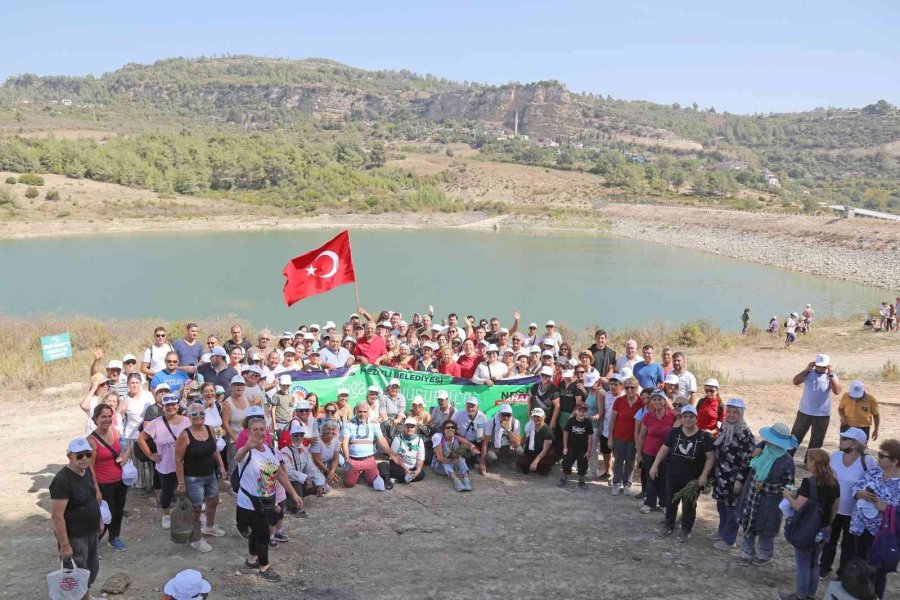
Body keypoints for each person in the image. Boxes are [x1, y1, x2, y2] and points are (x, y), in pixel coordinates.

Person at [233, 415, 302, 582]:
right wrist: (247, 446)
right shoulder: (246, 451)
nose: (258, 432)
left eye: (262, 429)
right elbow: (237, 458)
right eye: (254, 429)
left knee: (257, 534)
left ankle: (251, 560)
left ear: (267, 431)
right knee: (263, 534)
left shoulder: (270, 450)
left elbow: (279, 474)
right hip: (250, 502)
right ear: (248, 432)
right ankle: (264, 567)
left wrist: (293, 493)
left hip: (267, 500)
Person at [777, 448, 840, 600]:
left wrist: (787, 495)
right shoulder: (834, 482)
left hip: (806, 529)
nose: (807, 461)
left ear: (813, 463)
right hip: (823, 530)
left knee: (803, 564)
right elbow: (836, 506)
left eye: (809, 459)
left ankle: (800, 596)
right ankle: (810, 595)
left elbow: (798, 506)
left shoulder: (808, 483)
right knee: (814, 563)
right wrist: (827, 524)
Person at [649, 405, 715, 542]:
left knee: (689, 505)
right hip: (673, 475)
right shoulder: (674, 433)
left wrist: (704, 475)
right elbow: (663, 449)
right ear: (681, 418)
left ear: (696, 419)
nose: (688, 419)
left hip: (692, 479)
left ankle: (686, 530)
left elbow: (710, 458)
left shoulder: (704, 437)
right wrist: (654, 465)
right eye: (685, 416)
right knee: (671, 501)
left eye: (691, 417)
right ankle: (669, 525)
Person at [736, 422, 797, 566]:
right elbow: (746, 465)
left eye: (771, 440)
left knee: (766, 530)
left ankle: (764, 553)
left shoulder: (787, 461)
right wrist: (752, 456)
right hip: (751, 495)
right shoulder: (760, 447)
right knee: (748, 524)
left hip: (769, 503)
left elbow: (788, 488)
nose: (767, 441)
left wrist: (766, 487)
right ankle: (746, 552)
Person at [819, 428, 876, 579]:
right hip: (834, 508)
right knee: (829, 539)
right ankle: (824, 566)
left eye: (845, 438)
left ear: (856, 444)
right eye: (842, 437)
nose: (841, 440)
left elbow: (873, 482)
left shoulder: (867, 461)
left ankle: (843, 573)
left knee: (848, 545)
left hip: (853, 512)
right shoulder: (835, 456)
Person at [847, 438, 900, 599]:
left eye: (882, 456)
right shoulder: (874, 471)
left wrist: (887, 508)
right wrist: (860, 493)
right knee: (860, 566)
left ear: (894, 461)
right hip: (860, 527)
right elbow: (855, 487)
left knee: (878, 571)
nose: (878, 457)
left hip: (881, 535)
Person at [50, 438, 102, 598]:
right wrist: (65, 545)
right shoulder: (62, 480)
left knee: (91, 570)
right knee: (78, 574)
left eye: (87, 454)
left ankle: (84, 595)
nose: (85, 458)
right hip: (75, 536)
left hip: (92, 531)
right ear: (70, 456)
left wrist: (99, 521)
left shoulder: (87, 471)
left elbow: (93, 498)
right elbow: (57, 515)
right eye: (79, 456)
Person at [174, 402, 227, 553]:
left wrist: (222, 466)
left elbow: (215, 450)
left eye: (201, 413)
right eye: (194, 414)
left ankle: (209, 527)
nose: (199, 416)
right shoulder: (185, 435)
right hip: (193, 478)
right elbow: (178, 460)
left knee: (214, 501)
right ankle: (196, 539)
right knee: (196, 509)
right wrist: (181, 482)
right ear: (189, 416)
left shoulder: (210, 429)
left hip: (210, 474)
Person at [138, 394, 190, 529]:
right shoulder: (156, 423)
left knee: (187, 490)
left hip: (185, 465)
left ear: (178, 405)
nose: (171, 407)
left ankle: (188, 513)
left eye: (173, 404)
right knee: (166, 492)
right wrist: (150, 455)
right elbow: (141, 438)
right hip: (166, 465)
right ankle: (166, 515)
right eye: (167, 405)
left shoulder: (186, 421)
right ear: (163, 407)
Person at [710, 398, 756, 550]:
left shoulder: (744, 434)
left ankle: (729, 539)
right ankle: (722, 530)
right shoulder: (726, 427)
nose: (731, 415)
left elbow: (747, 460)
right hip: (721, 474)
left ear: (741, 414)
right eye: (729, 411)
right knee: (721, 505)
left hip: (734, 478)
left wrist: (739, 481)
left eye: (735, 412)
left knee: (732, 509)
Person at [86, 404, 131, 552]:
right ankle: (93, 544)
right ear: (95, 419)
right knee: (105, 516)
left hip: (120, 480)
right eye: (103, 417)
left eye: (109, 416)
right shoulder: (91, 441)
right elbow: (90, 467)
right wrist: (96, 490)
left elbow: (127, 447)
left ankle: (114, 537)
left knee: (118, 511)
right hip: (103, 483)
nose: (107, 419)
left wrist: (126, 455)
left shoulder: (116, 432)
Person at [790, 354, 841, 457]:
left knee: (816, 441)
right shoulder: (808, 374)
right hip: (804, 412)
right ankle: (787, 457)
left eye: (823, 366)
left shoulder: (831, 376)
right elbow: (795, 381)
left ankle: (809, 461)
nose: (821, 368)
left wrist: (831, 375)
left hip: (822, 414)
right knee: (795, 437)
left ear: (827, 366)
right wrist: (806, 370)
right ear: (815, 364)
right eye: (819, 366)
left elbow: (837, 391)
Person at [341, 402, 398, 490]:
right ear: (355, 412)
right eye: (360, 411)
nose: (362, 414)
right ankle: (358, 473)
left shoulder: (374, 423)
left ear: (369, 412)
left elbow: (381, 439)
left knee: (373, 482)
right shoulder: (348, 423)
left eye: (365, 411)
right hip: (353, 459)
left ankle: (372, 470)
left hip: (369, 459)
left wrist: (391, 454)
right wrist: (347, 458)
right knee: (349, 483)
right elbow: (345, 442)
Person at [637, 391, 675, 514]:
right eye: (654, 399)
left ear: (665, 401)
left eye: (660, 399)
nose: (657, 402)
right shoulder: (648, 416)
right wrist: (639, 453)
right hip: (649, 451)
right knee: (650, 478)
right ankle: (650, 502)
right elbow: (642, 435)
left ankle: (663, 503)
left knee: (664, 479)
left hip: (666, 453)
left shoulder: (672, 416)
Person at [609, 377, 642, 496]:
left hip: (634, 439)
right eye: (626, 387)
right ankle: (616, 483)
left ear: (637, 388)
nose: (629, 390)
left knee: (630, 462)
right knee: (618, 461)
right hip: (619, 437)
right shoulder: (619, 401)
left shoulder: (641, 402)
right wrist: (610, 437)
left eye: (632, 387)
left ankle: (627, 484)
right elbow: (612, 420)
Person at [432, 419, 476, 491]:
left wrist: (473, 449)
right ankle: (456, 480)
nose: (450, 429)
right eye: (447, 427)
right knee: (445, 461)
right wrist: (452, 461)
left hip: (453, 464)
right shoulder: (440, 440)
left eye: (452, 427)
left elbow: (468, 444)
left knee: (461, 458)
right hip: (440, 466)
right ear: (443, 430)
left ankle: (466, 479)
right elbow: (440, 458)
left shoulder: (456, 438)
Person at [281, 422, 315, 510]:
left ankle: (293, 498)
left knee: (316, 483)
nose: (299, 438)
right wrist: (305, 478)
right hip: (287, 482)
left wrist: (318, 482)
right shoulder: (285, 451)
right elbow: (287, 472)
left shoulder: (304, 449)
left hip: (299, 478)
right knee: (297, 482)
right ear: (291, 436)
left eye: (301, 435)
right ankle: (294, 506)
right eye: (296, 435)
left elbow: (310, 467)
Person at [559, 404, 593, 488]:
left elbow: (590, 437)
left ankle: (581, 480)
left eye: (583, 411)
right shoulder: (571, 420)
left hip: (583, 448)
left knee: (583, 464)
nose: (581, 413)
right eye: (579, 411)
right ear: (576, 411)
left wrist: (589, 450)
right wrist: (565, 446)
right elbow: (566, 432)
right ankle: (564, 477)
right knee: (567, 462)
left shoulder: (588, 422)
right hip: (571, 446)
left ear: (586, 412)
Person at [517, 408, 557, 476]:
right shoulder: (529, 426)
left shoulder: (547, 431)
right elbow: (524, 440)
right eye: (534, 416)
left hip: (544, 455)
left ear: (543, 417)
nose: (536, 419)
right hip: (532, 453)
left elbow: (545, 450)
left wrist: (535, 462)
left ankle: (544, 468)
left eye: (538, 417)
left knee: (542, 464)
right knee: (520, 462)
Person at [220, 374, 249, 469]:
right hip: (234, 441)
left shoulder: (246, 399)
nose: (239, 387)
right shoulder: (227, 403)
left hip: (247, 439)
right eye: (236, 384)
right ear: (231, 386)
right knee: (235, 468)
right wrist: (237, 439)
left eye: (241, 384)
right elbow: (225, 423)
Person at [482, 404, 523, 469]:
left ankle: (511, 462)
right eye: (503, 414)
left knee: (519, 450)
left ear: (511, 415)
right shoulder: (492, 421)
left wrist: (508, 430)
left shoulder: (515, 422)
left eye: (508, 415)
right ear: (500, 414)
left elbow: (517, 443)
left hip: (508, 446)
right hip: (495, 446)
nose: (506, 417)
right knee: (490, 456)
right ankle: (497, 463)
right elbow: (485, 442)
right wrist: (482, 462)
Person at [389, 418, 426, 484]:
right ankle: (405, 478)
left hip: (412, 467)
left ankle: (398, 480)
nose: (410, 429)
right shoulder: (398, 439)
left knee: (421, 474)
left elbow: (420, 458)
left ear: (415, 428)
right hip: (400, 466)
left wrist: (418, 470)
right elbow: (394, 456)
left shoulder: (419, 440)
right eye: (408, 427)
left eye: (412, 427)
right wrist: (406, 469)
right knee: (393, 469)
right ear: (404, 427)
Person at [309, 420, 343, 495]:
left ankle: (327, 480)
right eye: (328, 429)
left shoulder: (336, 441)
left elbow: (336, 459)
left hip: (327, 464)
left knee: (333, 466)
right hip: (316, 465)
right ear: (323, 430)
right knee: (317, 484)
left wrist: (332, 472)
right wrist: (329, 472)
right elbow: (316, 460)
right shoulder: (317, 441)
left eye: (333, 429)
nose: (331, 431)